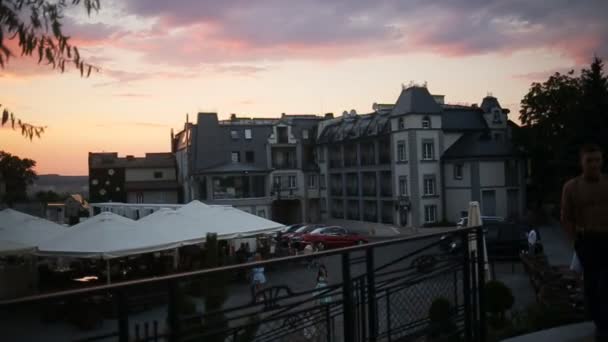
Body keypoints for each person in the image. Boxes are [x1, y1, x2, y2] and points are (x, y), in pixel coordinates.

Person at [561, 143, 608, 341]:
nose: (594, 164)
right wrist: (575, 242)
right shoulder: (572, 187)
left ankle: (605, 327)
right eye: (590, 161)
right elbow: (566, 217)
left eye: (597, 160)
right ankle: (600, 325)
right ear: (582, 162)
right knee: (591, 286)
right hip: (587, 241)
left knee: (605, 284)